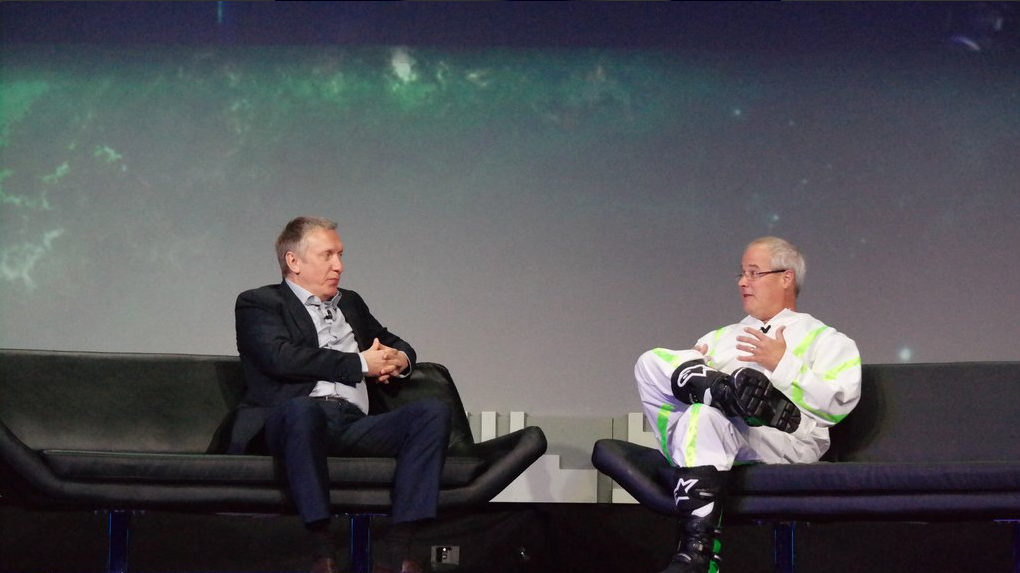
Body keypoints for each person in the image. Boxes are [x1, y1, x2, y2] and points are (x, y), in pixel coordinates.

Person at [228, 216, 450, 573]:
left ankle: (398, 551)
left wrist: (400, 358)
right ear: (294, 261)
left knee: (432, 413)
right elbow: (280, 357)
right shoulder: (260, 303)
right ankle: (322, 550)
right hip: (292, 420)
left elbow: (392, 341)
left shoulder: (351, 304)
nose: (339, 266)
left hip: (352, 423)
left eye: (340, 255)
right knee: (303, 411)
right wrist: (360, 364)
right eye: (327, 255)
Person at [633, 236, 861, 573]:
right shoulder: (718, 338)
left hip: (784, 441)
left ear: (786, 278)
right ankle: (724, 393)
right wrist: (693, 367)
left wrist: (783, 364)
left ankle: (697, 554)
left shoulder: (826, 339)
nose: (743, 282)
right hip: (710, 438)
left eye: (754, 273)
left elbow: (838, 403)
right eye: (741, 273)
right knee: (650, 363)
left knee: (703, 417)